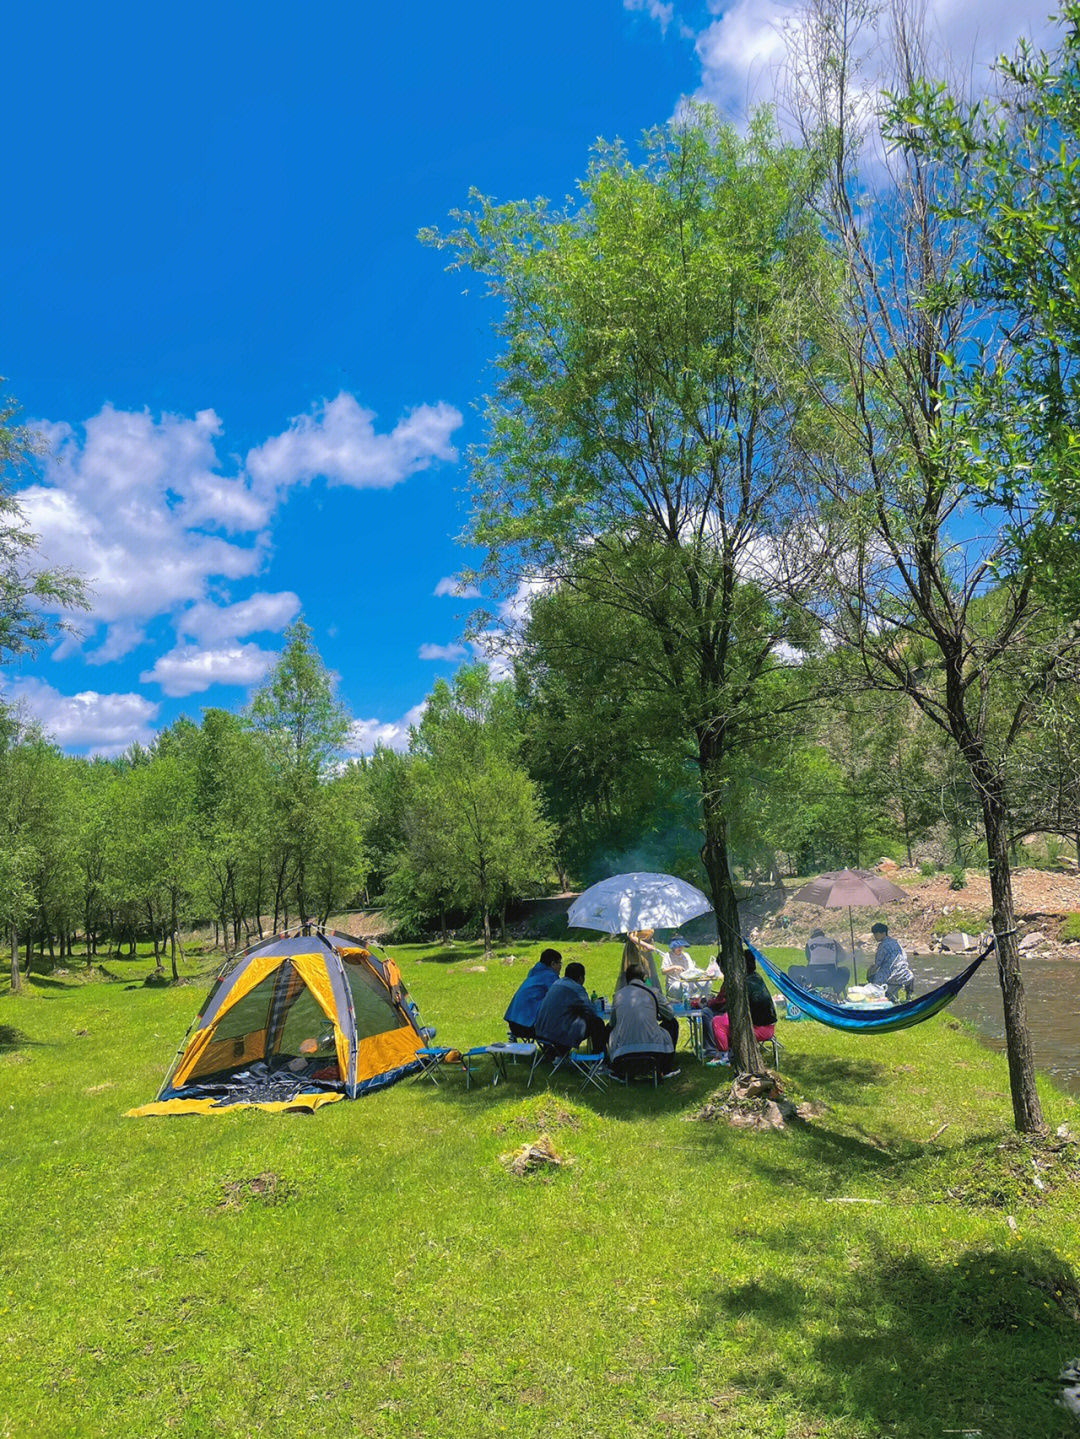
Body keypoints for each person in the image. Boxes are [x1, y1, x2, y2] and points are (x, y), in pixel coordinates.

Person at [606, 963, 680, 1078]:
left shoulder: (618, 995)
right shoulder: (653, 992)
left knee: (608, 1029)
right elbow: (670, 1014)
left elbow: (612, 1023)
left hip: (622, 1051)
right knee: (672, 1023)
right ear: (644, 978)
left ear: (627, 979)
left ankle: (612, 1066)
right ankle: (666, 1068)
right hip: (654, 1049)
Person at [704, 949, 777, 1061]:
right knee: (725, 1018)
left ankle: (722, 1056)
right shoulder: (756, 977)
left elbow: (719, 1003)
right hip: (770, 1028)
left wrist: (706, 1002)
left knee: (715, 1020)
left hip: (757, 1030)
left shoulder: (739, 983)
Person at [534, 961, 608, 1056]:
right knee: (597, 1023)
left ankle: (558, 1055)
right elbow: (592, 1011)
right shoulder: (576, 988)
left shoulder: (557, 983)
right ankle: (599, 1061)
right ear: (581, 978)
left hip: (541, 1032)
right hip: (557, 1035)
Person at [503, 948, 562, 1040]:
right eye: (560, 963)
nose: (561, 966)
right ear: (553, 964)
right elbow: (560, 996)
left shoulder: (534, 972)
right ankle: (555, 1054)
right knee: (561, 1029)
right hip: (527, 1026)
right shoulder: (550, 976)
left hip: (513, 1023)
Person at [866, 923, 913, 1000]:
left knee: (876, 981)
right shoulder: (895, 942)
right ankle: (904, 998)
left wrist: (869, 974)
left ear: (883, 933)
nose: (875, 937)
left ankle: (885, 998)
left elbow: (877, 964)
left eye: (876, 934)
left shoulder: (883, 946)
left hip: (894, 974)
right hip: (905, 972)